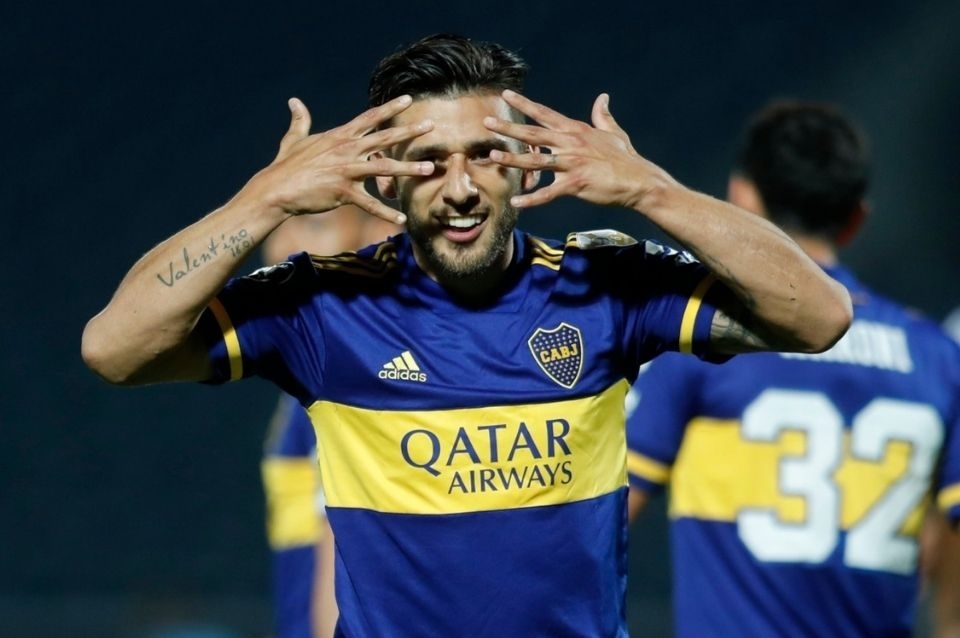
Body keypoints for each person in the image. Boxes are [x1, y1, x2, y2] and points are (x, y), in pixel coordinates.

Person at [81, 34, 852, 637]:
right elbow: (114, 349)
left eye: (485, 154)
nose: (458, 187)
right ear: (385, 179)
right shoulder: (322, 307)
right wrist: (262, 201)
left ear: (525, 168)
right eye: (428, 161)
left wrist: (653, 190)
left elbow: (819, 317)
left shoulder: (606, 286)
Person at [625, 99, 960, 637]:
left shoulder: (702, 344)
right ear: (856, 219)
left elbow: (607, 513)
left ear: (738, 198)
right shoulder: (939, 358)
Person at [259, 207, 399, 638]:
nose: (280, 249)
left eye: (315, 225)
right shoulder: (322, 357)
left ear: (382, 231)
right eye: (275, 226)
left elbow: (345, 543)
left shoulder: (357, 371)